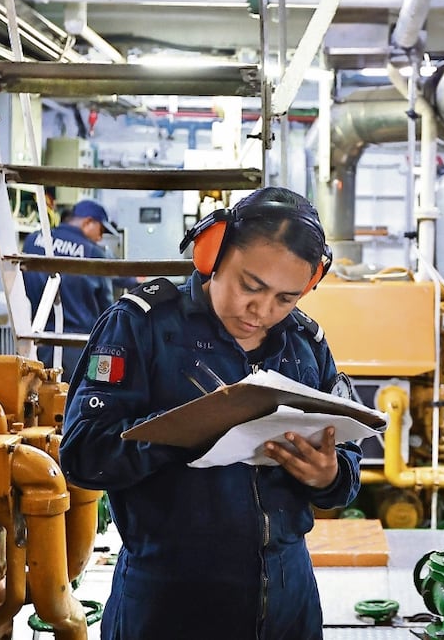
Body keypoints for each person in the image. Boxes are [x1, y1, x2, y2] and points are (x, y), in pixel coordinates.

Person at [59, 187, 362, 640]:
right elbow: (83, 452)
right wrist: (186, 430)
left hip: (288, 593)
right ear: (212, 252)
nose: (261, 312)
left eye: (286, 298)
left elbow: (348, 460)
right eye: (250, 286)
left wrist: (329, 476)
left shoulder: (305, 345)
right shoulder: (141, 326)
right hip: (170, 594)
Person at [22, 198, 119, 376]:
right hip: (78, 347)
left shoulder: (32, 240)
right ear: (88, 222)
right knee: (78, 399)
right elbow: (107, 311)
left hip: (34, 342)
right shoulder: (93, 253)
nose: (100, 237)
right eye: (101, 230)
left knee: (36, 398)